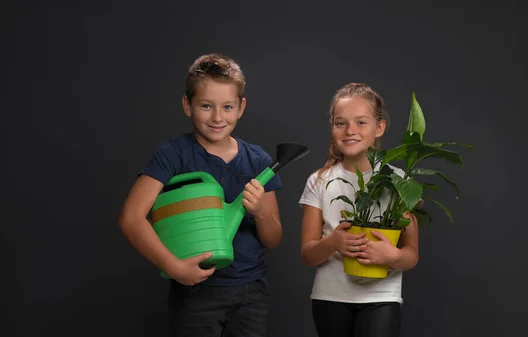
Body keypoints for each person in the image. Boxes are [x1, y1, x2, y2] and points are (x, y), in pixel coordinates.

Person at [118, 53, 283, 337]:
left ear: (241, 107)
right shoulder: (173, 155)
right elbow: (131, 218)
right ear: (187, 105)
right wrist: (174, 268)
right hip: (195, 293)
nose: (218, 117)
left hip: (251, 294)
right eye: (206, 106)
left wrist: (262, 212)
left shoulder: (258, 161)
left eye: (227, 107)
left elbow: (273, 238)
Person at [298, 82, 419, 337]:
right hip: (330, 297)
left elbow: (411, 254)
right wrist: (333, 242)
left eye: (361, 122)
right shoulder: (318, 181)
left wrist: (391, 256)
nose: (350, 130)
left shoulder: (400, 182)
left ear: (380, 127)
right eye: (341, 123)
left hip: (381, 296)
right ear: (332, 128)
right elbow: (308, 254)